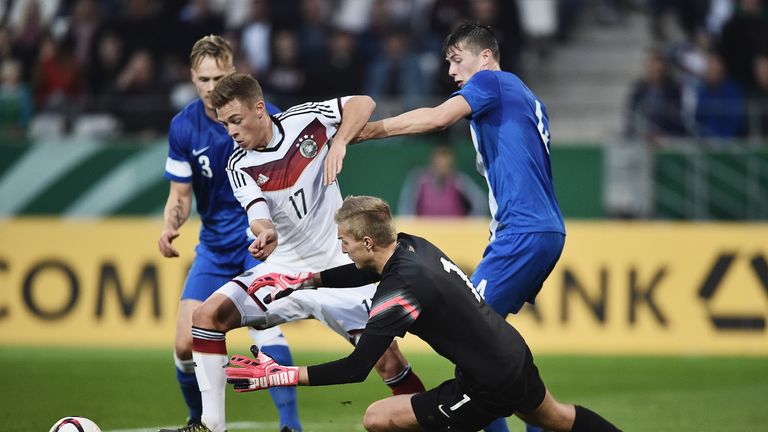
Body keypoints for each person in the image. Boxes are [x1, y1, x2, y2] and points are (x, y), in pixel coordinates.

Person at [325, 23, 567, 432]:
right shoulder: (515, 95)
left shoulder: (493, 83)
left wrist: (368, 131)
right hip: (533, 232)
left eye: (458, 60)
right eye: (449, 63)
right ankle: (541, 420)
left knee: (474, 345)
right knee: (488, 348)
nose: (452, 72)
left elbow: (437, 118)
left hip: (523, 233)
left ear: (485, 57)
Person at [228, 195, 622, 432]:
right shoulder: (413, 246)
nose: (342, 248)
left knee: (378, 418)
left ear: (367, 241)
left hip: (489, 383)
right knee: (560, 418)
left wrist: (279, 375)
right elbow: (362, 269)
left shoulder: (401, 291)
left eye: (344, 242)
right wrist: (303, 281)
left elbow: (356, 368)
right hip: (510, 354)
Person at [168, 73, 424, 432]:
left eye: (236, 121)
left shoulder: (306, 120)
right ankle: (212, 425)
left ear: (259, 109)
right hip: (283, 274)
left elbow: (363, 103)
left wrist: (339, 144)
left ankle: (427, 425)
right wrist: (265, 232)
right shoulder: (238, 165)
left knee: (390, 364)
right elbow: (258, 213)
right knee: (207, 317)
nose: (231, 132)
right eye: (225, 124)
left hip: (339, 271)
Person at [158, 35, 300, 431]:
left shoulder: (264, 115)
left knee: (264, 325)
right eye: (203, 79)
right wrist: (171, 223)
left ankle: (291, 425)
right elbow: (180, 195)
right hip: (214, 247)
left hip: (255, 241)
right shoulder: (183, 126)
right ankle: (198, 421)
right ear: (192, 77)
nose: (210, 88)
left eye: (219, 77)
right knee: (185, 344)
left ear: (233, 73)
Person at [398, 145, 488, 217]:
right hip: (425, 231)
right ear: (432, 163)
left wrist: (468, 225)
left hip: (454, 232)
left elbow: (480, 203)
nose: (442, 169)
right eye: (439, 165)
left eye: (446, 166)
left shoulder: (458, 180)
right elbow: (406, 207)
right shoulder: (420, 180)